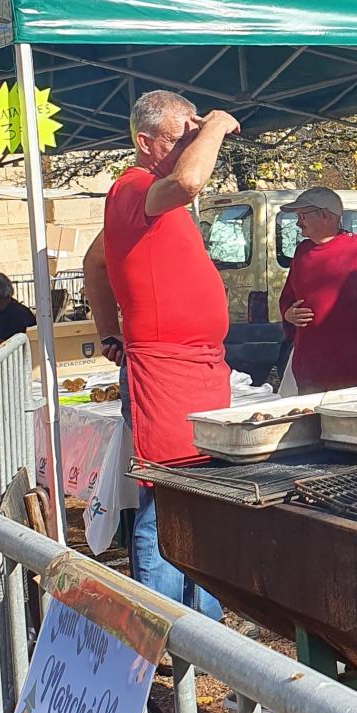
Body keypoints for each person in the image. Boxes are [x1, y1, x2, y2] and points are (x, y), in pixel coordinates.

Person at [83, 89, 239, 614]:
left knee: (204, 497)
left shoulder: (157, 201)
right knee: (165, 500)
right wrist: (215, 124)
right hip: (164, 370)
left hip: (198, 365)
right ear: (146, 143)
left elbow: (97, 263)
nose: (191, 146)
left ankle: (207, 630)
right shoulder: (134, 188)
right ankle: (163, 628)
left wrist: (109, 332)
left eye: (193, 137)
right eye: (181, 137)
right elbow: (190, 179)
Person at [279, 187, 357, 394]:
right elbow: (287, 299)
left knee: (350, 426)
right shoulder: (302, 251)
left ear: (325, 215)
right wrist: (289, 314)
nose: (298, 223)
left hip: (351, 371)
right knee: (312, 425)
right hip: (309, 370)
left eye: (302, 216)